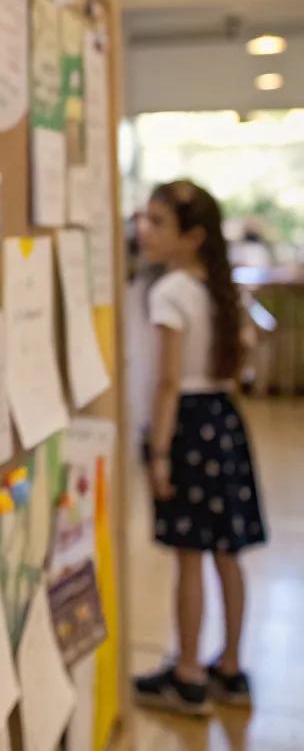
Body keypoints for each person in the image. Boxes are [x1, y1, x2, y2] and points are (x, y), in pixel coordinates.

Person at [134, 180, 267, 717]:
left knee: (189, 556)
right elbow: (248, 356)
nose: (144, 230)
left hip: (187, 425)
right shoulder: (223, 287)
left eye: (157, 222)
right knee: (227, 554)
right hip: (225, 421)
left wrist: (160, 452)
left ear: (191, 236)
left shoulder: (170, 292)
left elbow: (167, 382)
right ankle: (230, 669)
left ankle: (188, 674)